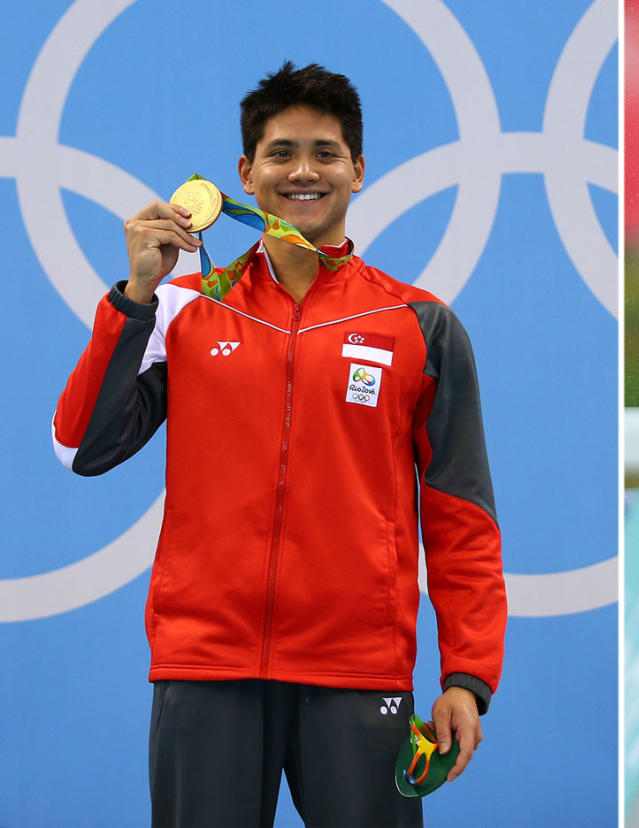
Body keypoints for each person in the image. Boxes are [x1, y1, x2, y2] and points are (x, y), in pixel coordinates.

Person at [52, 62, 506, 827]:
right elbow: (81, 448)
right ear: (245, 173)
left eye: (326, 153)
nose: (303, 170)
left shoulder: (419, 325)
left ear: (359, 171)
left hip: (359, 672)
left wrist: (467, 674)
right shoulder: (181, 310)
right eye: (281, 152)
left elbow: (461, 515)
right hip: (207, 667)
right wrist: (133, 298)